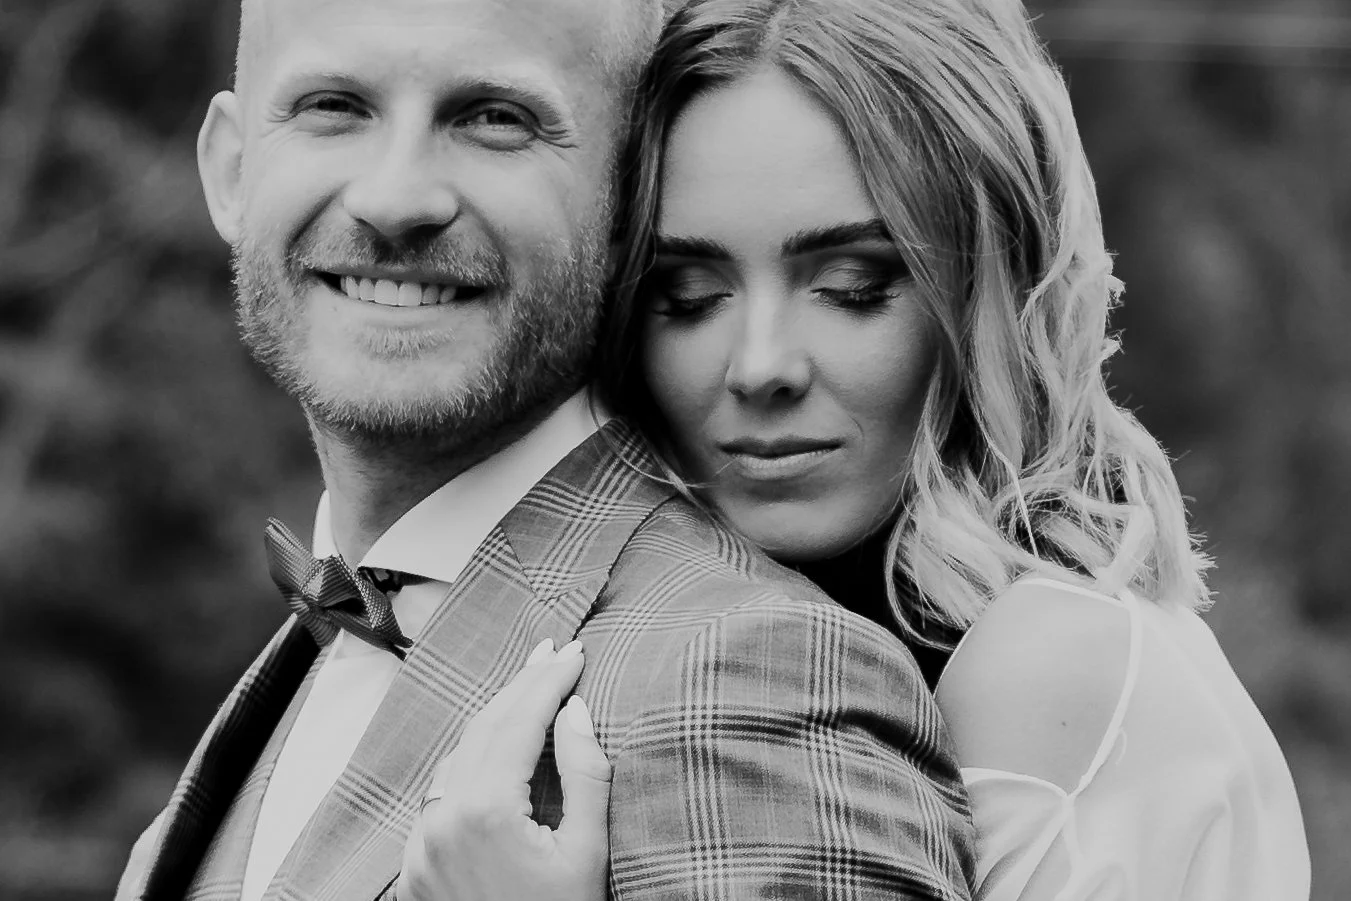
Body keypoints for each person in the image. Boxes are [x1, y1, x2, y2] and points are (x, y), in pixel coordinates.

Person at [400, 0, 1313, 898]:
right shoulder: (748, 644)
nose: (759, 366)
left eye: (848, 285)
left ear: (989, 286)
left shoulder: (1045, 660)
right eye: (685, 294)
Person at [113, 0, 977, 899]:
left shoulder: (748, 679)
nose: (396, 197)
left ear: (624, 200)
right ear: (230, 168)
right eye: (334, 106)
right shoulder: (308, 661)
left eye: (496, 119)